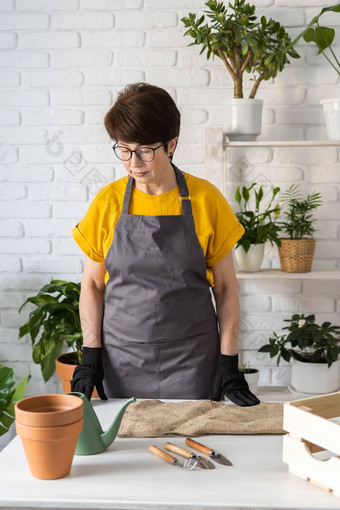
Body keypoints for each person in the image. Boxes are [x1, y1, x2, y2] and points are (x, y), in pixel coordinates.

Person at [71, 82, 260, 407]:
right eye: (124, 149)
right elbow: (91, 284)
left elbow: (227, 288)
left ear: (171, 144)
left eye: (145, 150)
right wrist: (91, 355)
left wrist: (228, 361)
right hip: (123, 358)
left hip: (193, 359)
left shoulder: (206, 200)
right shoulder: (108, 202)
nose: (133, 162)